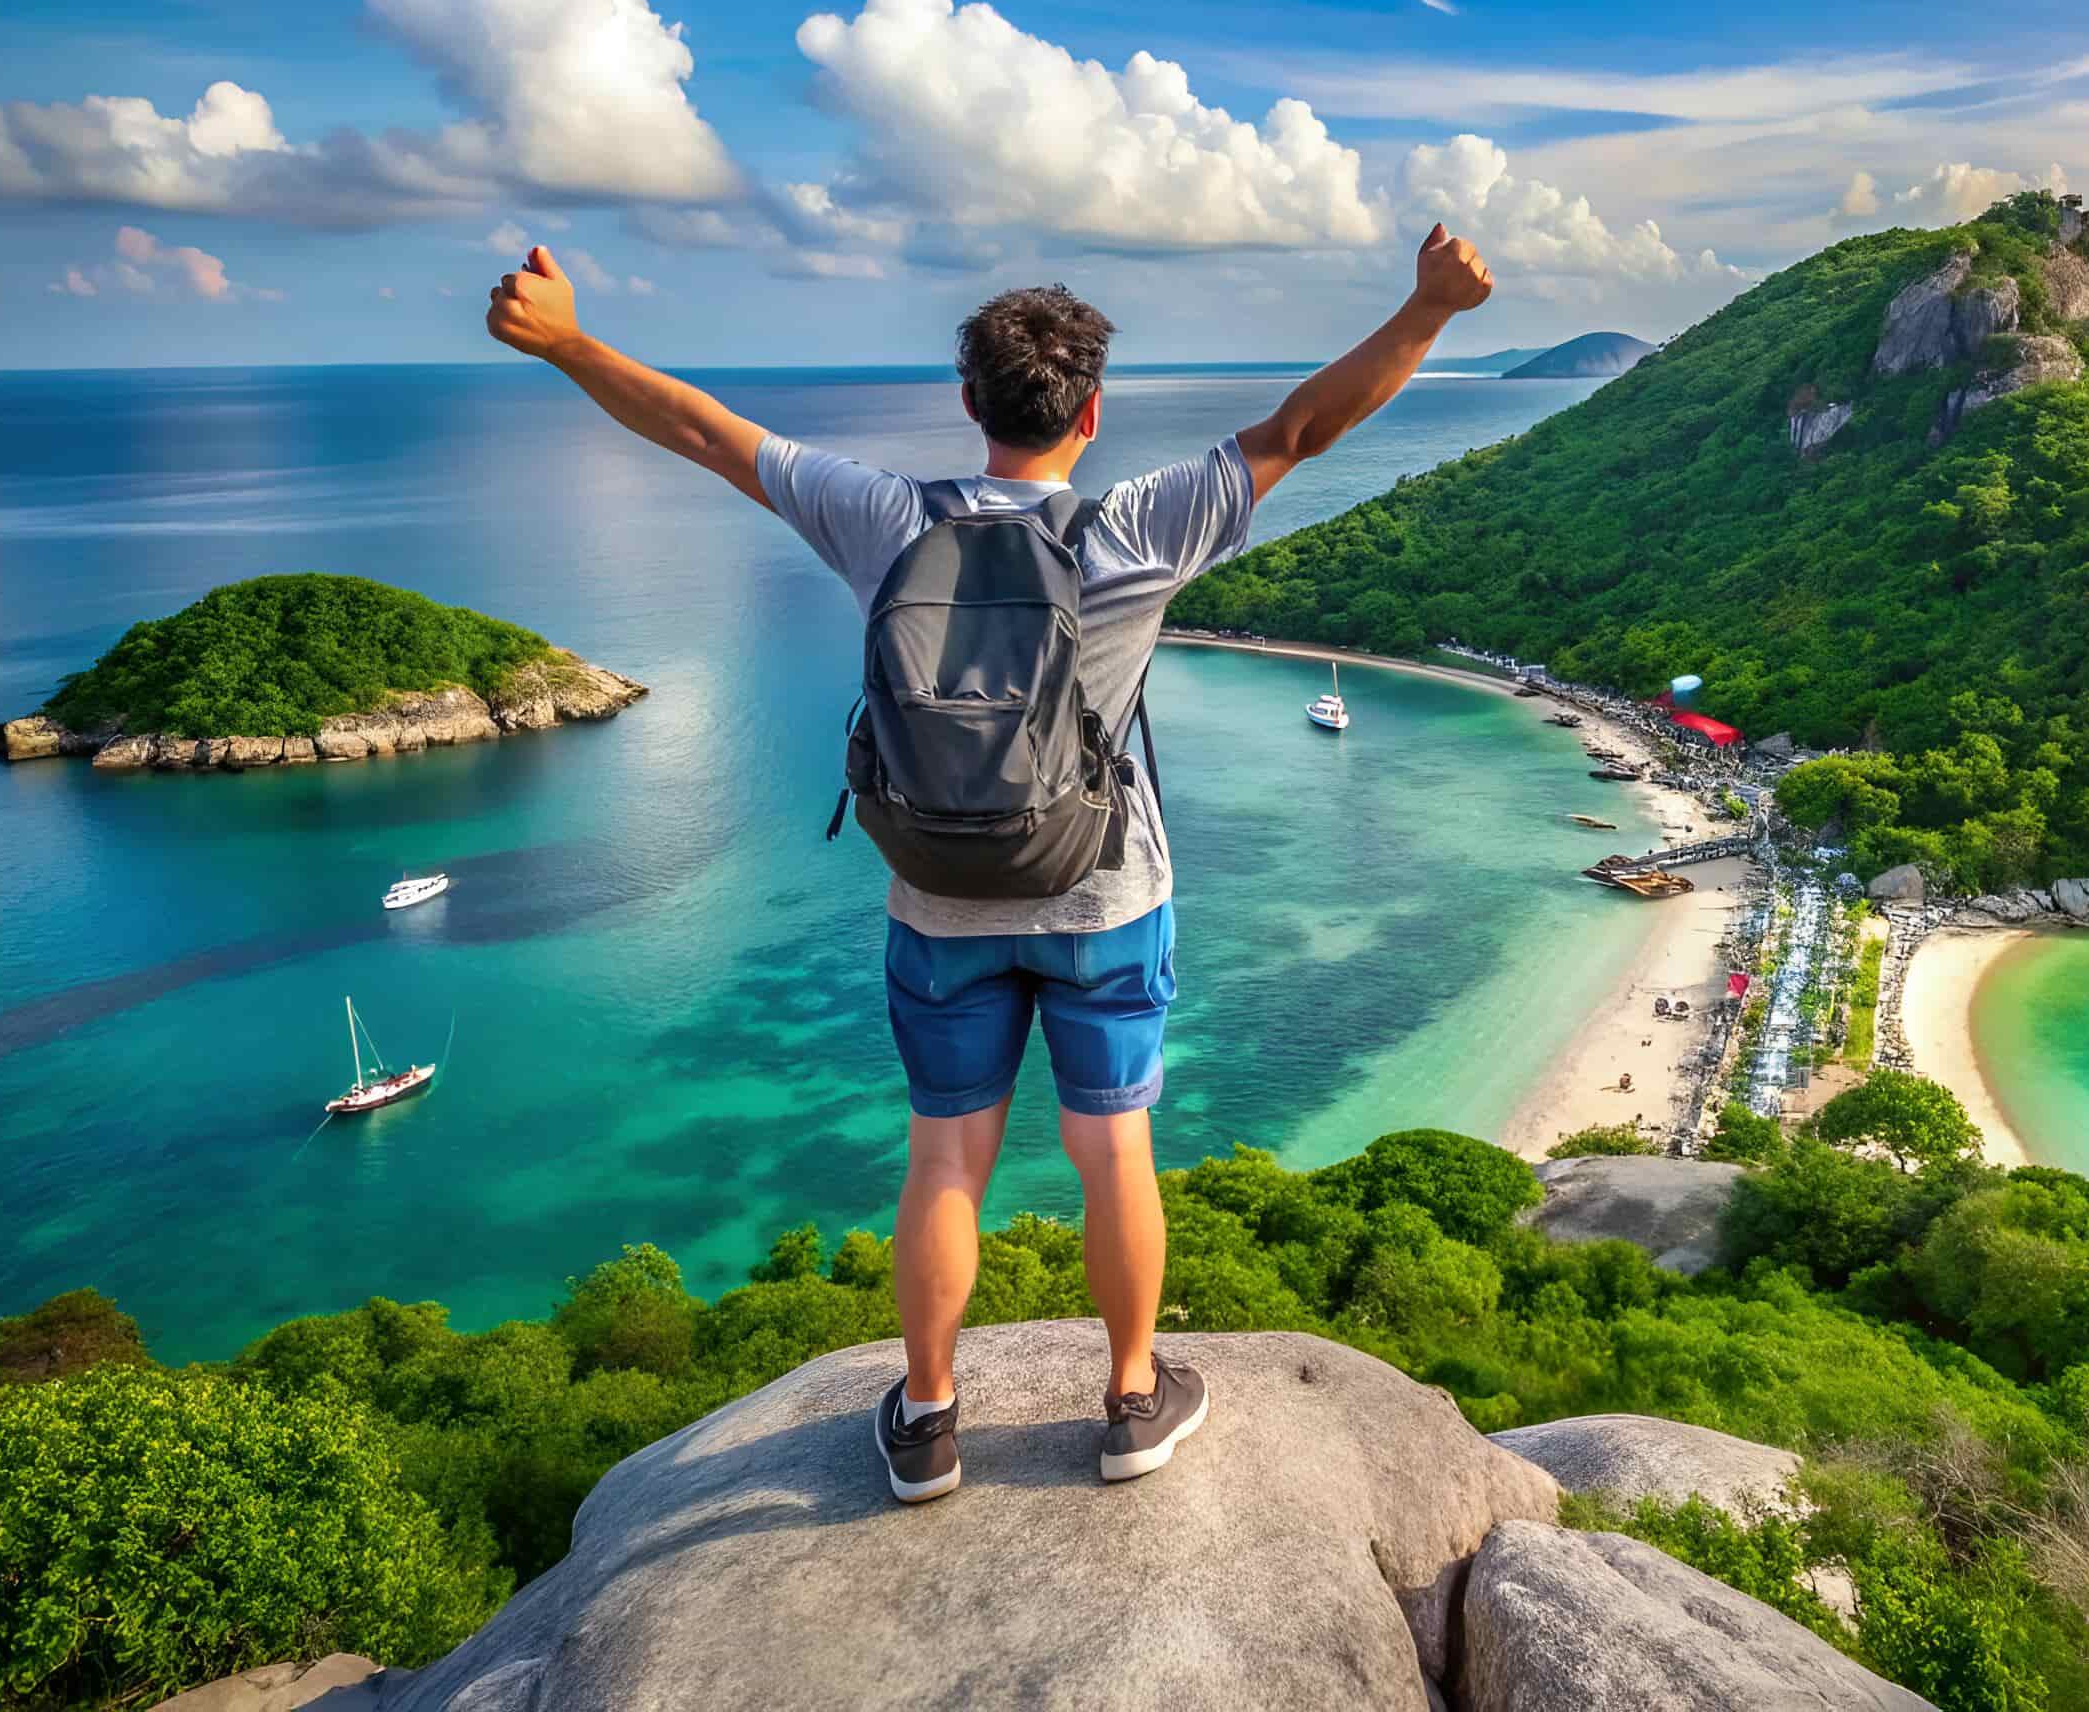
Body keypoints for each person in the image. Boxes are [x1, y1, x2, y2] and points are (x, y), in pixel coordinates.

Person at [484, 224, 1495, 1502]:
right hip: (1106, 895)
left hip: (939, 897)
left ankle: (927, 1416)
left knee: (945, 1154)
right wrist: (1426, 309)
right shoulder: (1136, 526)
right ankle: (1131, 1399)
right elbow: (1302, 429)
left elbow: (703, 431)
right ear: (1092, 410)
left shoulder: (885, 517)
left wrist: (568, 340)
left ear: (970, 402)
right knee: (1112, 1145)